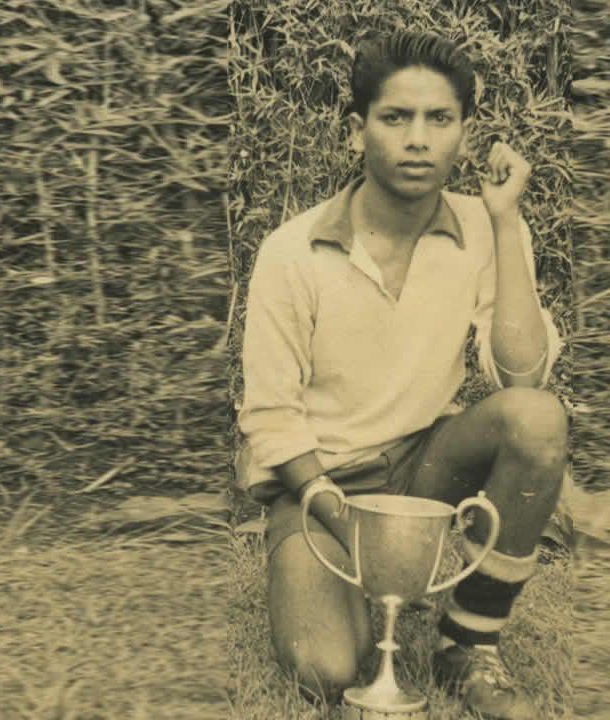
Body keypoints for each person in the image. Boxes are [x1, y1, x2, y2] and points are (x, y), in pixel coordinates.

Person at [235, 30, 567, 720]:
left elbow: (522, 373)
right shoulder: (292, 251)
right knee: (325, 669)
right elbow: (270, 417)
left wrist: (506, 224)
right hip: (319, 487)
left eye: (439, 119)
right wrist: (351, 525)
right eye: (396, 118)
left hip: (425, 474)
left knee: (537, 419)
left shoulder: (486, 227)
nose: (418, 139)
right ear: (358, 133)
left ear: (464, 133)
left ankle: (469, 641)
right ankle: (360, 592)